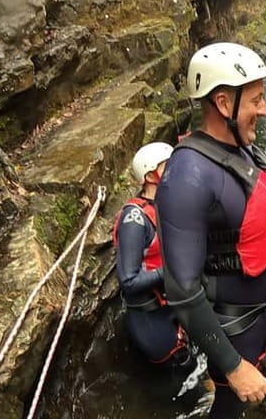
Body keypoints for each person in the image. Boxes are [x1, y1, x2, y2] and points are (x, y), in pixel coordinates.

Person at [155, 42, 266, 418]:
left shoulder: (245, 151)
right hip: (234, 332)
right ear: (222, 103)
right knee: (229, 408)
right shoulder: (187, 176)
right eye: (256, 100)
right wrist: (233, 367)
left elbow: (261, 231)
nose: (264, 110)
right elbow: (182, 290)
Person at [113, 142, 193, 370]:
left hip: (172, 306)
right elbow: (128, 280)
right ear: (150, 175)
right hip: (150, 317)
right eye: (169, 165)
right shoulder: (135, 220)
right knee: (175, 371)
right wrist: (170, 271)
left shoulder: (167, 205)